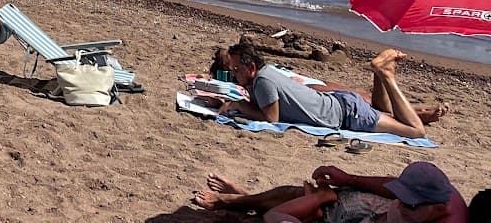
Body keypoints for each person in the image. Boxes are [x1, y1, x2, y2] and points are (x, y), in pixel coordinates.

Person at [202, 44, 448, 140]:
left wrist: (236, 107)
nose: (234, 74)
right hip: (342, 104)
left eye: (236, 69)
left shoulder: (263, 82)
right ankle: (379, 73)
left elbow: (271, 119)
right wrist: (224, 102)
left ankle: (387, 76)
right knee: (385, 113)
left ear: (251, 67)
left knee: (416, 132)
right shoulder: (265, 76)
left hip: (347, 115)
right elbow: (260, 105)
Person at [192, 162, 464, 222]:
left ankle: (242, 198)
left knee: (295, 202)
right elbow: (391, 185)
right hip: (356, 207)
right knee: (294, 196)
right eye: (400, 197)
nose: (401, 203)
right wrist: (351, 178)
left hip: (346, 213)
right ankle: (243, 197)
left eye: (408, 204)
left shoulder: (442, 211)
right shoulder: (437, 195)